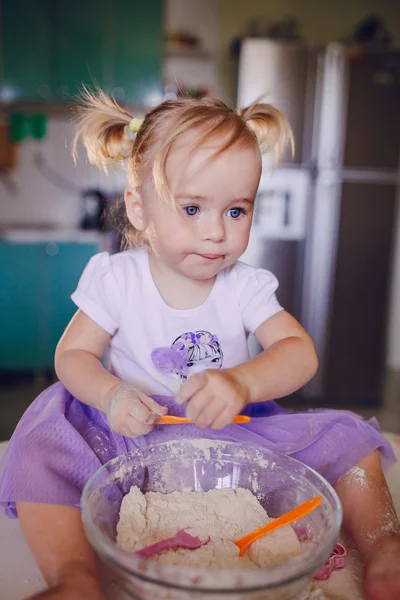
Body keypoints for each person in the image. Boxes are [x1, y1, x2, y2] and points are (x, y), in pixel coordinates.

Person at [0, 90, 398, 600]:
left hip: (228, 439)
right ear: (139, 209)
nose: (216, 233)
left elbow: (299, 351)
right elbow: (72, 356)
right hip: (126, 437)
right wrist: (112, 396)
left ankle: (385, 544)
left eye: (236, 211)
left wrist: (241, 380)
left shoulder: (245, 286)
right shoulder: (117, 279)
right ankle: (74, 576)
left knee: (351, 441)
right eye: (192, 208)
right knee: (40, 440)